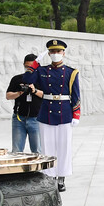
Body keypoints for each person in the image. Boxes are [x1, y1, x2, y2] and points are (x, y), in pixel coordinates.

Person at [23, 39, 80, 192]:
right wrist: (35, 64)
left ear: (64, 53)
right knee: (47, 147)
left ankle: (61, 178)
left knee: (63, 147)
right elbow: (27, 80)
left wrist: (76, 114)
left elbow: (76, 95)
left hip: (65, 112)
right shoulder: (41, 70)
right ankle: (49, 177)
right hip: (46, 111)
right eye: (52, 52)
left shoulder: (71, 72)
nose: (55, 54)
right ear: (48, 53)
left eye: (58, 51)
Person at [5, 54, 42, 154]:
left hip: (36, 119)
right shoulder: (17, 79)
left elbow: (46, 95)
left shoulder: (42, 79)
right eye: (26, 66)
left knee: (37, 150)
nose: (28, 69)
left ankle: (38, 170)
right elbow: (8, 96)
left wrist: (34, 90)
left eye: (31, 67)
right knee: (16, 151)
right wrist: (19, 92)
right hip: (18, 118)